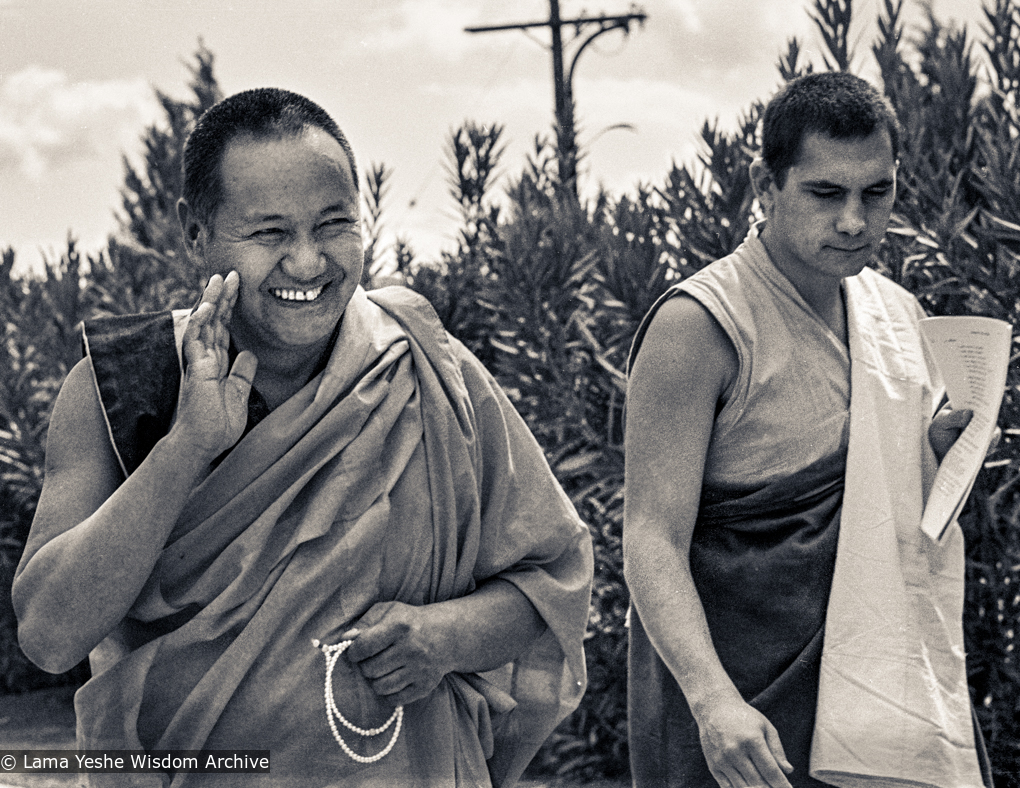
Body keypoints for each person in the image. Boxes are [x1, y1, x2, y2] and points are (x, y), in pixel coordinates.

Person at [13, 87, 593, 787]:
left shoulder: (423, 368)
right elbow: (48, 634)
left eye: (333, 224)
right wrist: (187, 446)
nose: (309, 262)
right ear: (195, 233)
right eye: (270, 233)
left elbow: (553, 577)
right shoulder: (127, 384)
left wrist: (445, 637)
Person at [623, 72, 993, 788]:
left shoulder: (899, 317)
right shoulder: (697, 326)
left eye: (876, 193)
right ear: (767, 189)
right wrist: (713, 702)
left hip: (879, 695)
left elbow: (897, 522)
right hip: (745, 708)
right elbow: (649, 537)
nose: (855, 221)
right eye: (826, 194)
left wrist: (941, 464)